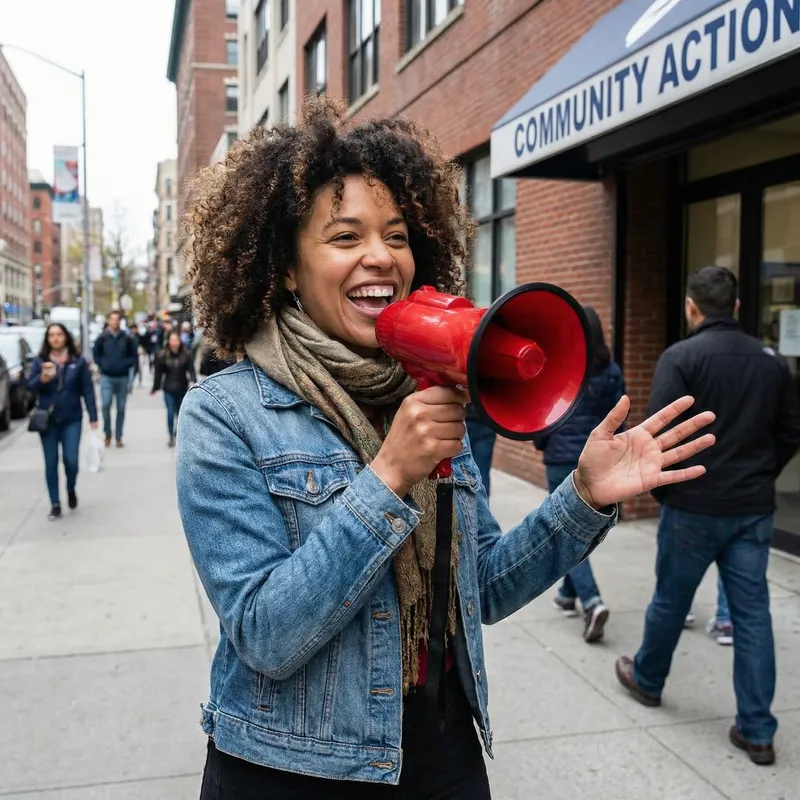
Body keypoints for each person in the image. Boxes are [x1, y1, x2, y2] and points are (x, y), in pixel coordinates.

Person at [175, 97, 715, 798]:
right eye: (345, 237)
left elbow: (482, 587)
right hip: (293, 768)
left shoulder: (423, 392)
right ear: (283, 266)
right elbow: (265, 635)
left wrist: (580, 499)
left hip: (440, 749)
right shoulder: (225, 414)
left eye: (397, 236)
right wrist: (389, 476)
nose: (381, 256)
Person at [616, 266, 800, 767]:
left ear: (692, 307)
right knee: (752, 615)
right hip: (752, 510)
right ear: (737, 308)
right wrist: (763, 472)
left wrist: (672, 488)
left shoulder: (681, 357)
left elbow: (660, 435)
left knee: (671, 601)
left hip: (693, 507)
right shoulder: (772, 362)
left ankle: (648, 681)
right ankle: (758, 731)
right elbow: (791, 432)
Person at [535, 306, 625, 643]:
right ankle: (568, 594)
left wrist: (541, 443)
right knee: (577, 527)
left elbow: (544, 412)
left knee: (566, 531)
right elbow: (620, 415)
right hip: (596, 458)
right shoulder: (611, 370)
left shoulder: (562, 367)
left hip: (560, 457)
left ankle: (592, 600)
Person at [27, 323, 98, 520]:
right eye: (52, 335)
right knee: (51, 463)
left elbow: (88, 389)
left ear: (65, 337)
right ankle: (55, 504)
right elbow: (29, 387)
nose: (55, 338)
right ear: (47, 339)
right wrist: (42, 378)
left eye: (59, 334)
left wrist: (93, 416)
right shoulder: (40, 361)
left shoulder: (77, 361)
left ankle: (70, 488)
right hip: (47, 420)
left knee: (71, 461)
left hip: (71, 418)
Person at [93, 310, 137, 448]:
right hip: (107, 376)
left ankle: (118, 436)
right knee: (105, 405)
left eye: (117, 319)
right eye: (112, 319)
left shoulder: (127, 337)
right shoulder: (102, 338)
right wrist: (102, 364)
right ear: (108, 320)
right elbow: (96, 354)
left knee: (121, 408)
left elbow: (133, 355)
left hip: (122, 377)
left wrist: (126, 364)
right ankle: (107, 434)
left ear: (120, 321)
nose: (115, 322)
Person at [151, 330, 196, 447]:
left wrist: (193, 381)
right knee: (170, 412)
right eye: (172, 340)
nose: (174, 343)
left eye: (176, 340)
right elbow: (158, 373)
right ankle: (170, 435)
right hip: (169, 388)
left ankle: (178, 433)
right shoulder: (163, 355)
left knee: (180, 413)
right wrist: (155, 387)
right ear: (168, 342)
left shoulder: (186, 354)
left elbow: (191, 370)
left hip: (182, 387)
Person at [464, 406, 497, 497]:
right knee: (482, 470)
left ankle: (465, 506)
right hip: (487, 421)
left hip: (466, 421)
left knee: (461, 468)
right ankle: (482, 507)